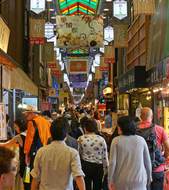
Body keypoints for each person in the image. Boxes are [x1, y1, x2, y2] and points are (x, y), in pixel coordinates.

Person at [31, 117, 85, 190]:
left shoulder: (41, 151)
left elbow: (35, 177)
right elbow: (78, 176)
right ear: (66, 134)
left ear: (51, 133)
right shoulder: (72, 153)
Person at [108, 116, 152, 190]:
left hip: (121, 180)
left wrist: (110, 180)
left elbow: (112, 163)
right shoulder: (141, 140)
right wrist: (149, 177)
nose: (117, 127)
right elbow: (147, 162)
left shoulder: (116, 141)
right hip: (140, 179)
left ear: (122, 127)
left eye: (118, 125)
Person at [138, 107, 169, 190]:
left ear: (140, 116)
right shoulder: (160, 129)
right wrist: (164, 158)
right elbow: (168, 147)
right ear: (151, 116)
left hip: (140, 169)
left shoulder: (134, 130)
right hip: (157, 168)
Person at [78, 118, 109, 190]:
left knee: (86, 186)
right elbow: (104, 156)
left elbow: (78, 154)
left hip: (86, 165)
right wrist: (106, 169)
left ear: (85, 128)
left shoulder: (81, 139)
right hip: (98, 166)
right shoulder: (101, 139)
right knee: (97, 186)